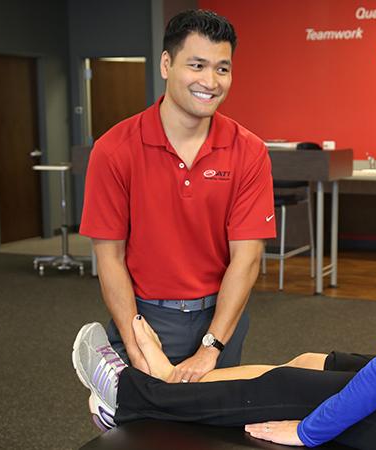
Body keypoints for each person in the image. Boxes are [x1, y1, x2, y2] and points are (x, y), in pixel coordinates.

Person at [72, 90, 376, 449]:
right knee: (311, 362)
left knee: (289, 390)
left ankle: (134, 395)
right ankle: (165, 375)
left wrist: (309, 428)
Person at [79, 8, 275, 385]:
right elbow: (110, 259)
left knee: (215, 428)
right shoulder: (114, 149)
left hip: (220, 317)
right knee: (143, 431)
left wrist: (211, 347)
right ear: (166, 64)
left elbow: (247, 259)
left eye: (222, 68)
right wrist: (137, 346)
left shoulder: (248, 151)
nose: (211, 81)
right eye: (197, 65)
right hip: (145, 317)